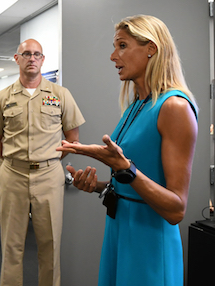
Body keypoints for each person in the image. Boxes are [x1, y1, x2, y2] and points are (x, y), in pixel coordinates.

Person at [57, 15, 198, 286]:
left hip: (149, 241)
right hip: (120, 228)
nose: (113, 56)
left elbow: (176, 209)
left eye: (122, 46)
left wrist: (125, 168)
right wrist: (99, 185)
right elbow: (131, 181)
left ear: (151, 49)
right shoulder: (136, 105)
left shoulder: (174, 108)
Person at [0, 39, 85, 286]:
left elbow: (72, 139)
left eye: (37, 54)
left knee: (50, 246)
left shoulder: (61, 95)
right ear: (17, 59)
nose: (32, 58)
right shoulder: (3, 97)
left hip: (49, 177)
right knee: (11, 245)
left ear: (42, 59)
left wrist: (47, 161)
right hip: (12, 175)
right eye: (26, 54)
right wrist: (14, 160)